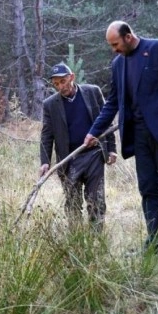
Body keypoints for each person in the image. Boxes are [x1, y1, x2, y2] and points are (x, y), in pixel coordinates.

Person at [83, 21, 158, 255]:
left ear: (129, 36)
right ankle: (155, 240)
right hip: (138, 134)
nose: (114, 49)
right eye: (111, 46)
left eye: (116, 44)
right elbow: (112, 103)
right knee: (147, 188)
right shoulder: (117, 64)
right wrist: (94, 132)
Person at [40, 62, 117, 231]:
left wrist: (111, 148)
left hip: (94, 155)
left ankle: (95, 240)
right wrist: (45, 161)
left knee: (96, 200)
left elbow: (107, 121)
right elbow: (46, 135)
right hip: (68, 160)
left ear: (72, 77)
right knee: (72, 204)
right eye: (56, 84)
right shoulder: (50, 105)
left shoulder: (92, 92)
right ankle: (76, 240)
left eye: (63, 81)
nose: (60, 86)